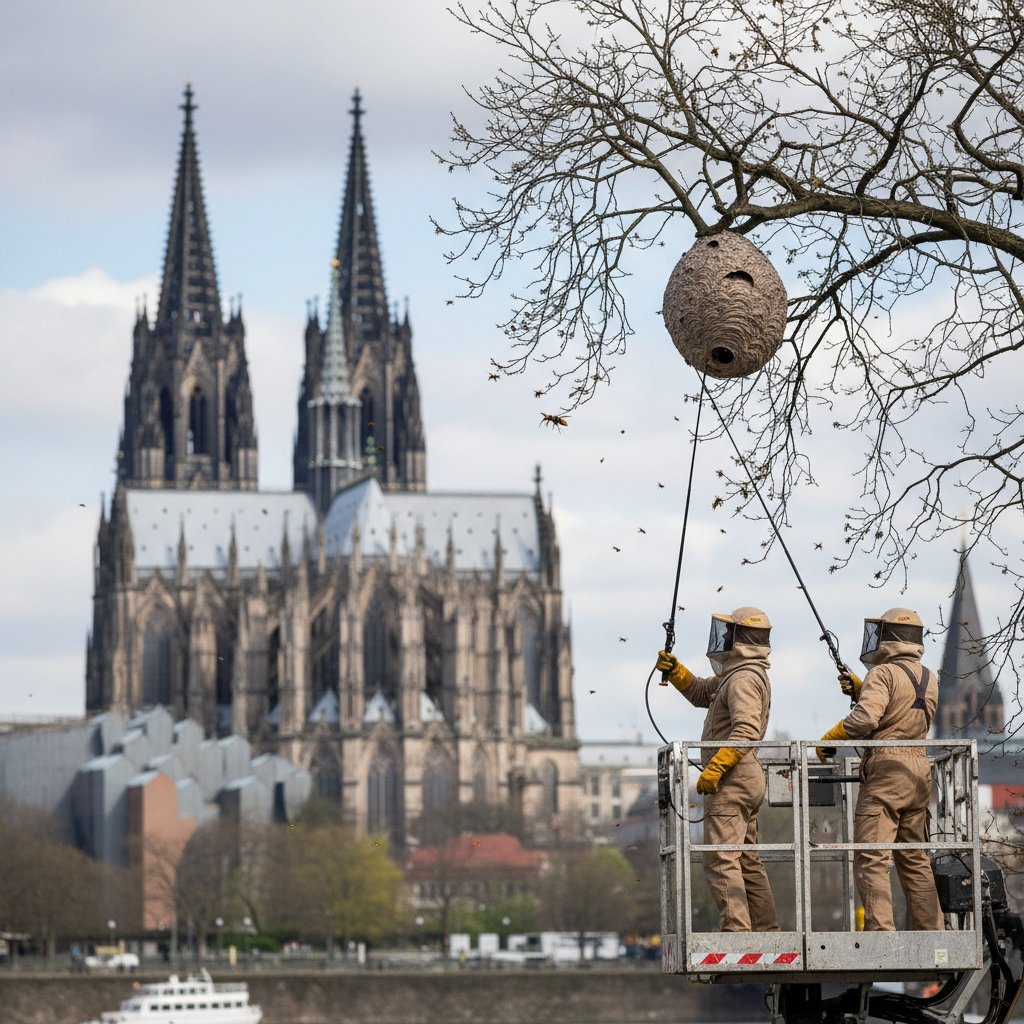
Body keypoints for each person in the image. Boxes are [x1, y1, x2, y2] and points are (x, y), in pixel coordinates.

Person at [817, 607, 944, 931]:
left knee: (872, 857)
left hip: (887, 769)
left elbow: (867, 720)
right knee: (914, 859)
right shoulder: (929, 677)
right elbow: (901, 710)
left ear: (888, 638)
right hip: (918, 771)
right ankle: (932, 930)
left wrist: (832, 736)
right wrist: (862, 690)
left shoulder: (883, 674)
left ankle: (880, 932)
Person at [657, 606, 779, 933]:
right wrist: (677, 671)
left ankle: (736, 931)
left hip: (733, 778)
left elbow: (746, 731)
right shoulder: (736, 676)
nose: (723, 637)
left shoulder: (743, 679)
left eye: (729, 632)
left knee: (720, 859)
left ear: (741, 638)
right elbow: (701, 692)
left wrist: (715, 770)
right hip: (742, 777)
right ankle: (766, 931)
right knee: (747, 861)